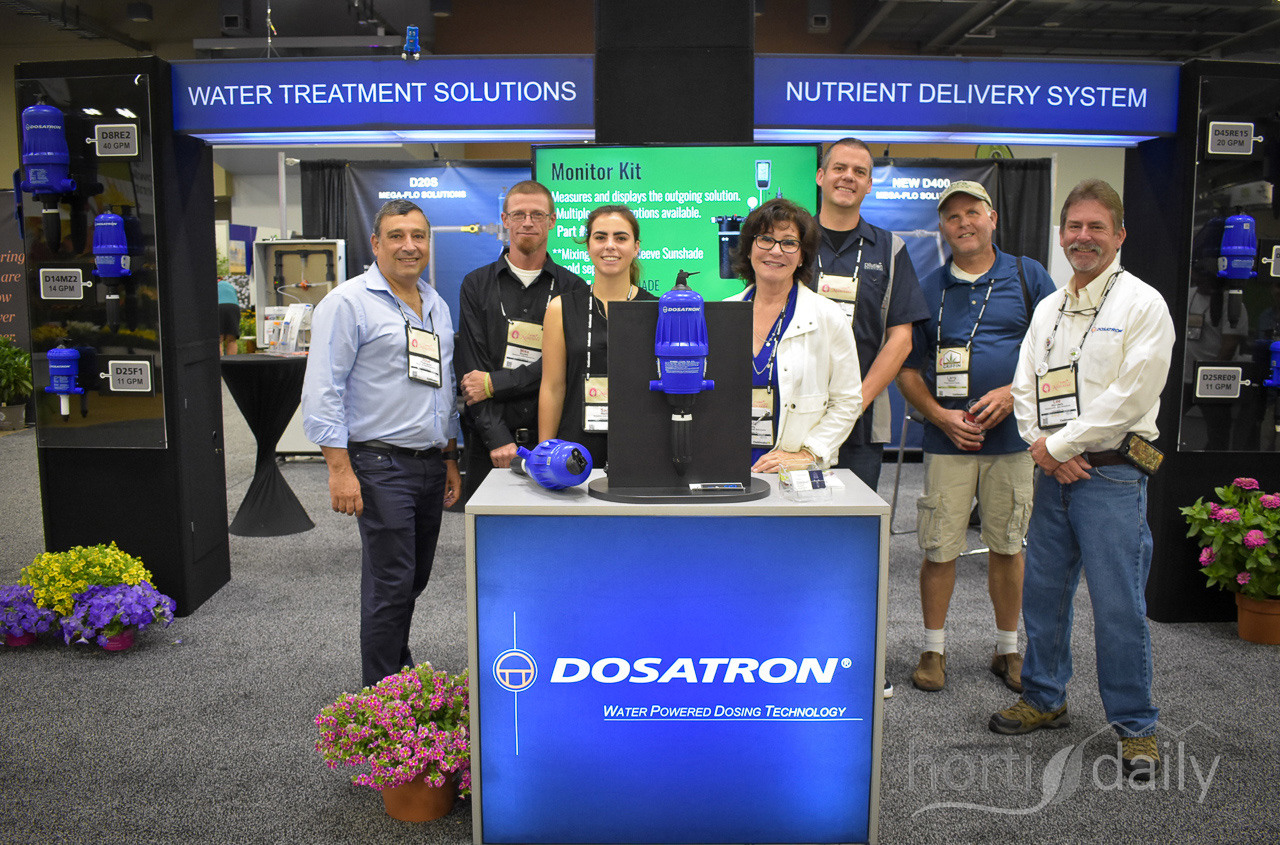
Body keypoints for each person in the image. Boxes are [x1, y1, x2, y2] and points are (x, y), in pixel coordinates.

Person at [990, 179, 1175, 783]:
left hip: (1110, 477)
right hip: (1053, 475)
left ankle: (1136, 725)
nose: (1083, 237)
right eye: (1074, 227)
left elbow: (1131, 396)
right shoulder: (1049, 307)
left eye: (1097, 227)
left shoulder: (1142, 305)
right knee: (1043, 595)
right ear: (1061, 234)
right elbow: (1025, 385)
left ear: (1119, 235)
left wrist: (1059, 446)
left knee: (1119, 606)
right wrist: (1043, 448)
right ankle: (1044, 697)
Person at [895, 181, 1057, 693]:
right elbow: (907, 369)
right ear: (942, 228)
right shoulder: (927, 287)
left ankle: (1008, 649)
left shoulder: (1028, 276)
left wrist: (1013, 393)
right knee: (938, 548)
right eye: (952, 217)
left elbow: (1057, 351)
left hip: (1013, 440)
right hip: (948, 442)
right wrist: (940, 416)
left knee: (1007, 545)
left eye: (972, 212)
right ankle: (933, 650)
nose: (963, 223)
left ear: (992, 219)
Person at [301, 199, 461, 688]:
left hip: (429, 463)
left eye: (418, 236)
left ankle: (396, 668)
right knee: (391, 582)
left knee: (413, 578)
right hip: (378, 463)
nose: (409, 246)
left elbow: (442, 387)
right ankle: (383, 696)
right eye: (396, 236)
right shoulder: (348, 303)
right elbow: (322, 389)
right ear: (375, 244)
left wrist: (449, 456)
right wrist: (339, 469)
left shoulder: (435, 303)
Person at [455, 181, 587, 503]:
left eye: (537, 214)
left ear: (552, 221)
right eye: (519, 214)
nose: (528, 222)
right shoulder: (476, 285)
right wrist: (498, 438)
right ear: (505, 219)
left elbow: (565, 367)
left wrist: (495, 383)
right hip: (489, 445)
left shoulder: (574, 289)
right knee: (488, 532)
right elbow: (473, 372)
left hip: (554, 445)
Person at [813, 138, 928, 491]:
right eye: (839, 168)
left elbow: (901, 339)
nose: (848, 177)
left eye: (859, 172)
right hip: (795, 408)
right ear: (820, 176)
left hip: (862, 417)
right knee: (794, 512)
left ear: (869, 184)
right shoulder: (792, 242)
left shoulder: (891, 248)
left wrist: (851, 406)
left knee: (856, 515)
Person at [723, 197, 862, 472]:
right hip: (728, 463)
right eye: (765, 239)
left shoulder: (828, 316)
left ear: (802, 257)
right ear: (749, 250)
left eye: (789, 243)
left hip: (793, 471)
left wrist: (809, 454)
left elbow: (847, 401)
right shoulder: (723, 313)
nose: (776, 251)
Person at [538, 205, 657, 468]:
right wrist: (544, 454)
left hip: (640, 447)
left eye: (621, 238)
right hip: (574, 451)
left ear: (636, 247)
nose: (610, 245)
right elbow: (553, 387)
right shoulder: (561, 308)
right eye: (600, 237)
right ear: (589, 245)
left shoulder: (656, 309)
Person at [217, 278, 241, 355]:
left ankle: (219, 361)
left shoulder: (212, 285)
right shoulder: (229, 285)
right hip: (233, 307)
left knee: (218, 340)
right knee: (232, 340)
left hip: (219, 307)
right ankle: (232, 361)